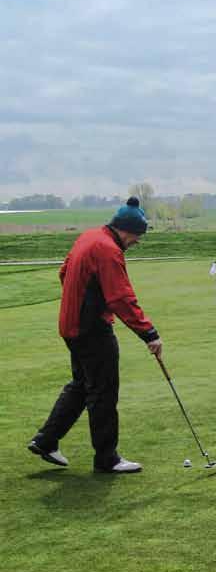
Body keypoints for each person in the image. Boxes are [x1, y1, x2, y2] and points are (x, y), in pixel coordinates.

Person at [27, 197, 163, 474]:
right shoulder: (108, 250)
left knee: (81, 385)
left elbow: (64, 273)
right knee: (103, 391)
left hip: (71, 325)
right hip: (90, 329)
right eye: (137, 236)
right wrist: (149, 333)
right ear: (125, 230)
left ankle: (46, 440)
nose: (137, 242)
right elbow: (121, 297)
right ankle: (107, 458)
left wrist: (83, 299)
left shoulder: (89, 237)